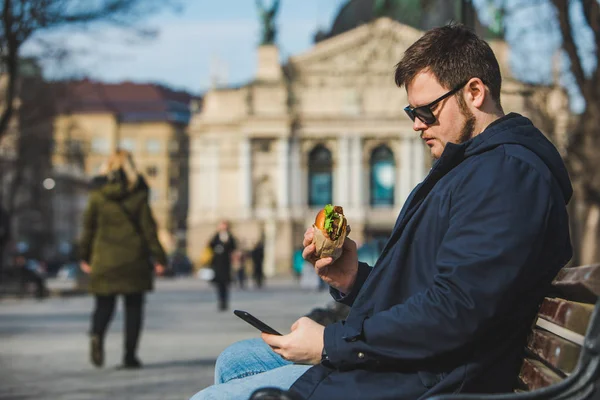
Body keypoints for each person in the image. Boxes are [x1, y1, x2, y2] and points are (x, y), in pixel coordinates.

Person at [190, 23, 573, 400]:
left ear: (475, 91)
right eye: (412, 112)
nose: (417, 126)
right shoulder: (471, 167)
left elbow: (456, 310)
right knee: (236, 361)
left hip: (426, 380)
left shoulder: (505, 173)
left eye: (427, 110)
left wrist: (331, 341)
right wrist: (353, 279)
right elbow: (429, 289)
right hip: (411, 365)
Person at [79, 149, 166, 370]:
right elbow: (148, 229)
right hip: (133, 259)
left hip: (104, 258)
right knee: (133, 309)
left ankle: (97, 335)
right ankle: (130, 356)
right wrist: (159, 257)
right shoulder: (138, 194)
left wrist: (84, 256)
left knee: (103, 305)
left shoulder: (98, 195)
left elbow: (88, 227)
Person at [208, 220, 237, 311]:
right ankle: (220, 302)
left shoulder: (230, 236)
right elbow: (210, 245)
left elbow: (233, 246)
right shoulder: (216, 236)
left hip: (226, 264)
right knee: (219, 285)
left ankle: (225, 302)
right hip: (217, 264)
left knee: (226, 285)